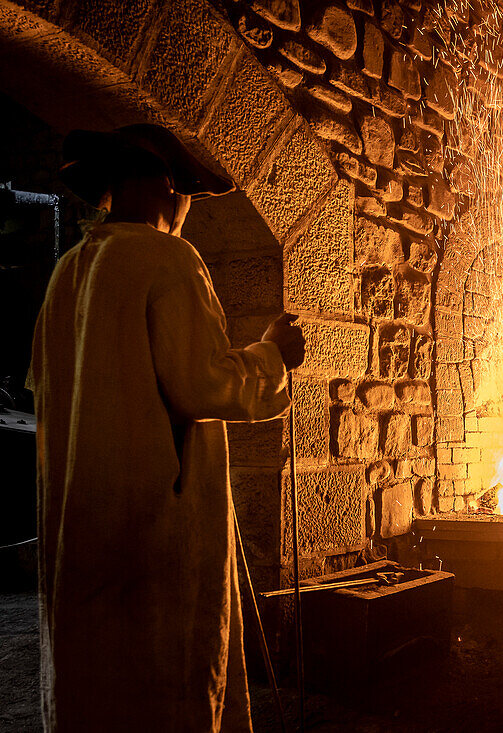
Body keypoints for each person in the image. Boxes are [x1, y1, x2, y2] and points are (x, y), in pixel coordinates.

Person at [28, 123, 305, 731]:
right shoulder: (167, 259)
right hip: (155, 544)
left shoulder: (67, 274)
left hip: (85, 537)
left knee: (94, 691)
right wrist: (272, 354)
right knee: (165, 690)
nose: (187, 213)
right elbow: (202, 384)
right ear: (165, 185)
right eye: (186, 196)